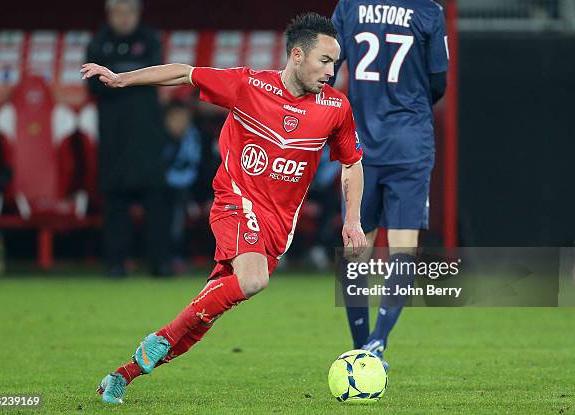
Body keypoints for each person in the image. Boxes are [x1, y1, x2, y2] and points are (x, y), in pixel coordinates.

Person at [81, 12, 367, 404]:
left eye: (336, 63)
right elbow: (185, 73)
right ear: (297, 55)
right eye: (325, 61)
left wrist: (352, 218)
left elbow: (352, 162)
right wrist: (121, 78)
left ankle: (124, 374)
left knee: (203, 316)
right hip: (235, 202)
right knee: (253, 281)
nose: (332, 71)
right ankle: (159, 340)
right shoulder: (248, 85)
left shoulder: (336, 108)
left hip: (277, 228)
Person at [331, 0, 448, 368]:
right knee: (402, 249)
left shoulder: (350, 6)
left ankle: (361, 346)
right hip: (410, 142)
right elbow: (438, 82)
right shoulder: (428, 11)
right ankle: (377, 343)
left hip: (359, 142)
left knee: (355, 249)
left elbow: (328, 65)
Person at [85, 0, 171, 276]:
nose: (123, 18)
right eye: (118, 12)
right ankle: (116, 263)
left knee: (156, 202)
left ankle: (160, 263)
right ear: (109, 14)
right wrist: (131, 78)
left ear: (138, 13)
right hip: (114, 137)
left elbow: (158, 77)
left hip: (148, 137)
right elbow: (93, 87)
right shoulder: (98, 44)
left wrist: (119, 78)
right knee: (115, 203)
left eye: (129, 12)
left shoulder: (150, 41)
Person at [162, 100, 203, 267]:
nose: (180, 124)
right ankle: (170, 256)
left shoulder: (196, 137)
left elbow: (202, 168)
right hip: (164, 190)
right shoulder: (159, 139)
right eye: (175, 119)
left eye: (184, 119)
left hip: (193, 189)